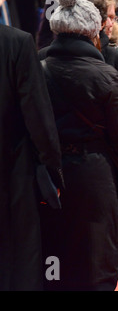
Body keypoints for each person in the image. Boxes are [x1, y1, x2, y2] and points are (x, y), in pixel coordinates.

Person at [39, 0, 118, 290]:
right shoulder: (106, 75)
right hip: (95, 179)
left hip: (48, 179)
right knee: (98, 264)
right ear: (93, 29)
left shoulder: (38, 69)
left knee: (54, 262)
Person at [0, 23, 63, 290]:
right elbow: (37, 113)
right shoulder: (16, 42)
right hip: (12, 171)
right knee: (16, 258)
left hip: (13, 170)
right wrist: (52, 168)